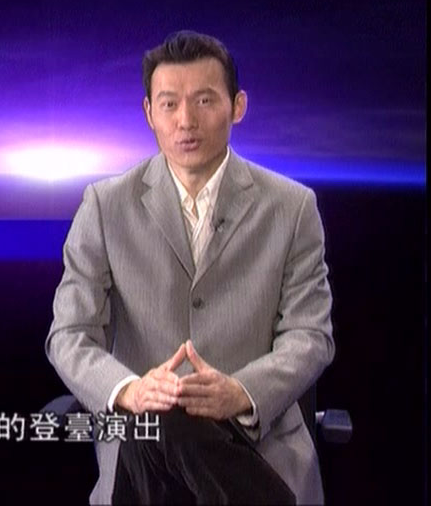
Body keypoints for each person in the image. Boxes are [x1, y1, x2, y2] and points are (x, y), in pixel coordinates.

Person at [45, 30, 335, 505]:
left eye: (204, 100)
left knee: (168, 423)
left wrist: (240, 391)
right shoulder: (105, 206)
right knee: (160, 417)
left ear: (237, 106)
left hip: (253, 442)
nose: (186, 121)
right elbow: (69, 335)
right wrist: (130, 391)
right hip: (143, 459)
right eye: (169, 104)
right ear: (149, 113)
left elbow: (310, 336)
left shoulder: (292, 207)